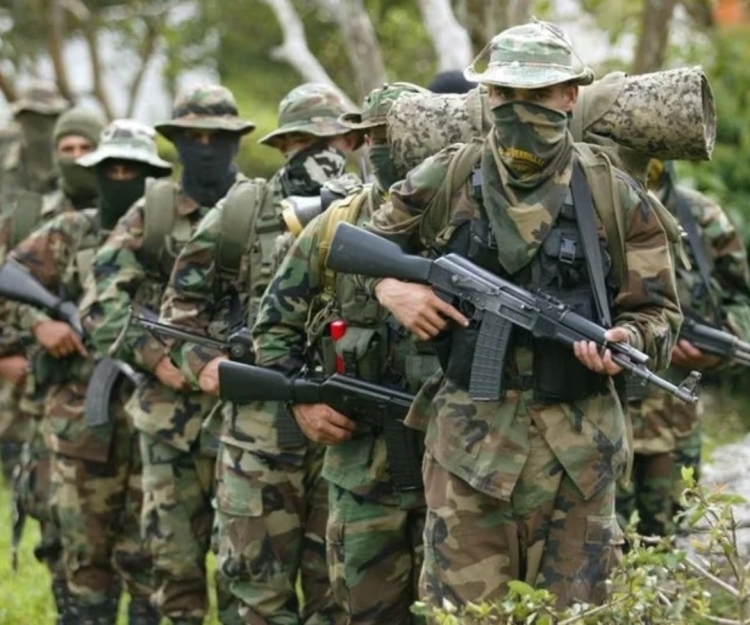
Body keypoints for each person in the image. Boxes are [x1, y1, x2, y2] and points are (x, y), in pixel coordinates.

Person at [350, 20, 681, 609]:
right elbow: (356, 251)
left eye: (539, 93)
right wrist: (391, 289)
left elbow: (658, 312)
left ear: (571, 95)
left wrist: (628, 339)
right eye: (506, 93)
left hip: (579, 458)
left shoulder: (614, 193)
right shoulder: (448, 175)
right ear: (487, 95)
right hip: (467, 452)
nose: (520, 108)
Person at [159, 82, 360, 624]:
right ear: (282, 145)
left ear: (352, 143)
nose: (318, 156)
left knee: (340, 600)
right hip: (258, 440)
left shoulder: (377, 209)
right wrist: (203, 366)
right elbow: (180, 308)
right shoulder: (243, 210)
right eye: (302, 143)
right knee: (256, 599)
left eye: (331, 143)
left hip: (349, 441)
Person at [252, 82, 435, 624]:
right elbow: (274, 328)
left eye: (400, 135)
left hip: (453, 471)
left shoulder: (465, 220)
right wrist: (301, 401)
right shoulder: (335, 226)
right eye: (374, 137)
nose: (386, 147)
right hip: (361, 473)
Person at [82, 84, 255, 625]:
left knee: (246, 575)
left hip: (246, 419)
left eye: (216, 138)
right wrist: (157, 357)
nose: (205, 148)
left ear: (235, 142)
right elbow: (100, 300)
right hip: (167, 420)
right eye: (193, 138)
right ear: (176, 142)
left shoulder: (264, 207)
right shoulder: (151, 213)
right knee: (173, 573)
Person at [6, 117, 171, 624]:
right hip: (79, 421)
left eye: (133, 171)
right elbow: (10, 275)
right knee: (83, 556)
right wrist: (41, 323)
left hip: (155, 418)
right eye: (111, 169)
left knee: (150, 555)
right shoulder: (71, 230)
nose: (121, 179)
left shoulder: (175, 235)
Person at [0, 105, 103, 624]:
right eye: (68, 149)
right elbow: (6, 287)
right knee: (56, 517)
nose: (77, 158)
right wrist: (28, 335)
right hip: (46, 399)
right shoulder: (32, 218)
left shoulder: (132, 215)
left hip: (121, 395)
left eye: (86, 148)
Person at [617, 159, 750, 537]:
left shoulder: (702, 218)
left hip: (674, 429)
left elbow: (741, 306)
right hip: (603, 424)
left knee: (669, 546)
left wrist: (714, 349)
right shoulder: (589, 204)